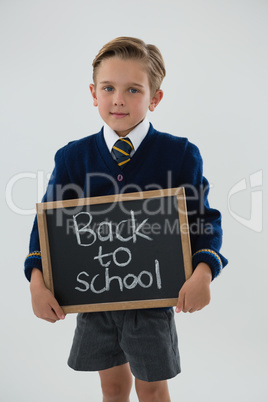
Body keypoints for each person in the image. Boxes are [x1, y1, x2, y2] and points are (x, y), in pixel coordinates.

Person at [25, 37, 228, 402]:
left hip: (152, 303)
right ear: (93, 92)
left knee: (152, 389)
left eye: (133, 89)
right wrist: (37, 282)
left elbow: (204, 219)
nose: (118, 98)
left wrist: (204, 272)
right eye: (108, 88)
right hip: (95, 297)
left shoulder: (179, 154)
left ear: (154, 98)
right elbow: (48, 224)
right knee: (113, 388)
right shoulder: (74, 158)